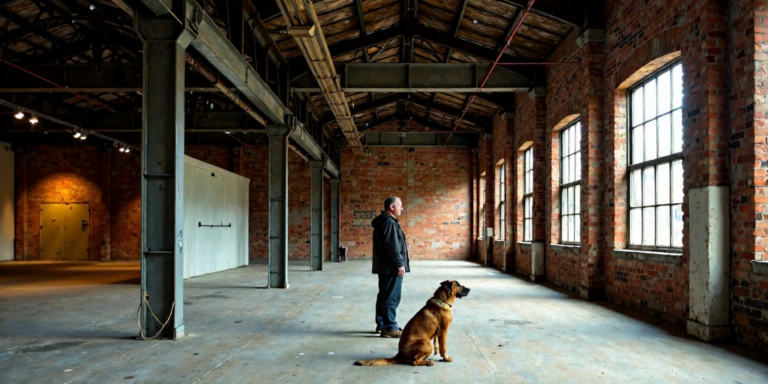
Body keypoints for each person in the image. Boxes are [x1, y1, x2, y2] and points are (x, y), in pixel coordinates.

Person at [371, 196, 410, 338]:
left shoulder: (384, 221)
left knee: (384, 295)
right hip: (390, 267)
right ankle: (389, 327)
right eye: (400, 205)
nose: (402, 208)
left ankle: (382, 325)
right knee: (391, 297)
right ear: (392, 207)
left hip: (385, 266)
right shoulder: (389, 222)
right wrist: (400, 263)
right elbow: (392, 246)